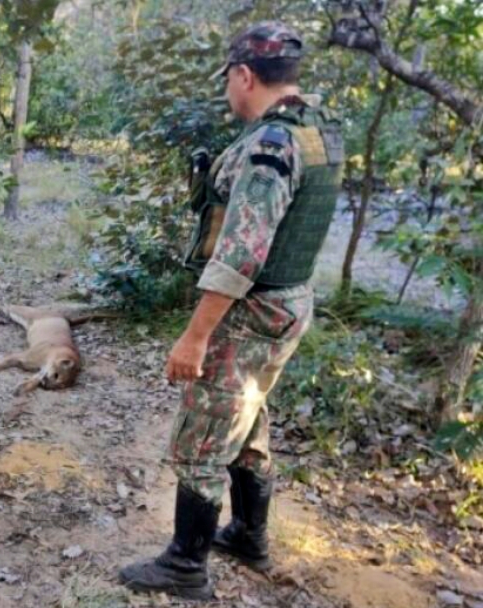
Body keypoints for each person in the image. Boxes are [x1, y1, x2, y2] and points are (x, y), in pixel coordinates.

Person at [117, 21, 345, 601]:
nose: (228, 92)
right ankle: (247, 534)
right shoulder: (319, 132)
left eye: (229, 81)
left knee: (201, 435)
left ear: (245, 76)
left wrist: (194, 338)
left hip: (252, 308)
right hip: (289, 303)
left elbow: (241, 254)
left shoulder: (271, 145)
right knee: (247, 415)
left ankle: (185, 566)